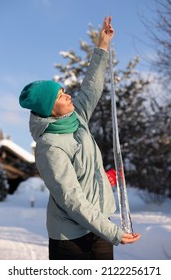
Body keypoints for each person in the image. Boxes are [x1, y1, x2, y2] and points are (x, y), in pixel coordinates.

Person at [19, 16, 141, 260]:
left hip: (99, 229)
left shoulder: (77, 118)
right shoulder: (49, 146)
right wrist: (112, 232)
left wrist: (102, 46)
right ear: (48, 110)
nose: (67, 97)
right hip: (72, 239)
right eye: (59, 97)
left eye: (63, 91)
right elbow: (71, 199)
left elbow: (92, 88)